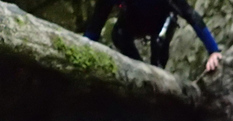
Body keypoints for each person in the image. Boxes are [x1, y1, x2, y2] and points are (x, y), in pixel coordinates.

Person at [84, 0, 222, 72]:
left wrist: (213, 50)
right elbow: (96, 23)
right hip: (134, 21)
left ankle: (156, 77)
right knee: (118, 35)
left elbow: (191, 16)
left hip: (161, 24)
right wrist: (83, 50)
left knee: (158, 56)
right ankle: (138, 68)